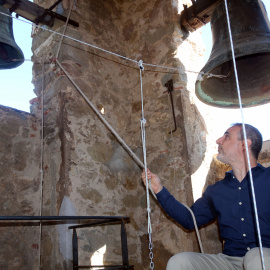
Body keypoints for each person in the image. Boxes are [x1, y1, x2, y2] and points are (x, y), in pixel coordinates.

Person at [142, 123, 270, 270]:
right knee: (179, 262)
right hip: (229, 262)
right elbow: (190, 220)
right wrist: (159, 189)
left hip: (265, 258)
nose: (218, 140)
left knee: (256, 257)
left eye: (226, 136)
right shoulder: (216, 190)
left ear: (244, 145)